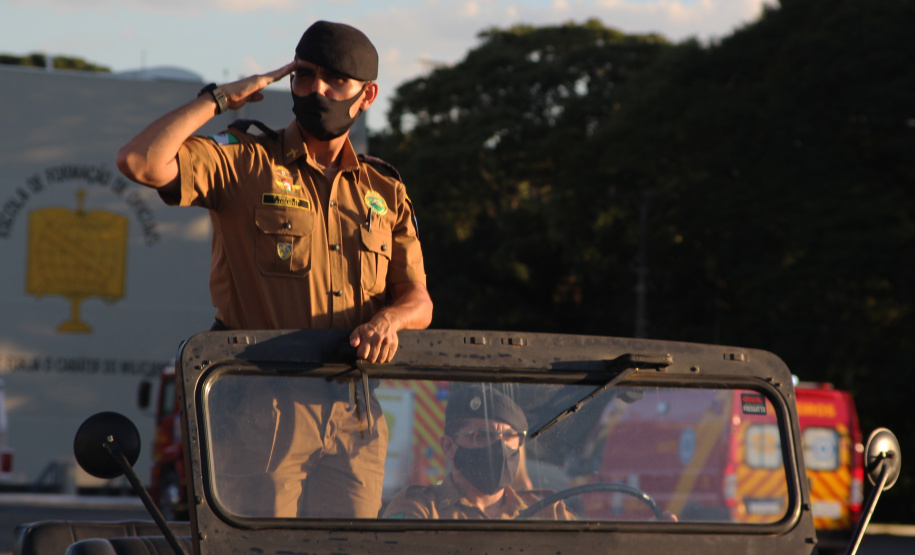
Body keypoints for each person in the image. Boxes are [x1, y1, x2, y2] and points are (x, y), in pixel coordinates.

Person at [116, 20, 433, 518]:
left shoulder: (384, 189)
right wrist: (220, 99)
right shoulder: (245, 159)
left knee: (350, 552)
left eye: (335, 80)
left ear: (367, 95)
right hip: (262, 403)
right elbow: (140, 162)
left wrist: (389, 320)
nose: (316, 90)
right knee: (262, 547)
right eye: (304, 75)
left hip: (356, 411)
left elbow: (417, 300)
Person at [383, 386, 577, 520]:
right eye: (482, 436)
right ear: (449, 446)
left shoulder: (547, 511)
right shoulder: (421, 509)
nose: (499, 447)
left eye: (509, 436)